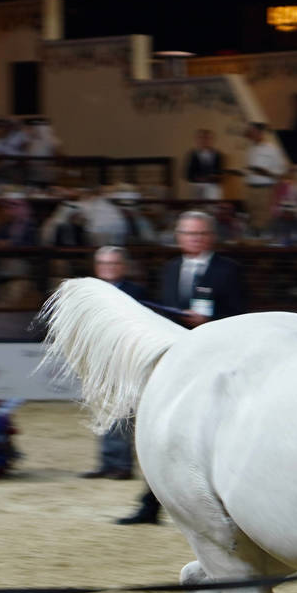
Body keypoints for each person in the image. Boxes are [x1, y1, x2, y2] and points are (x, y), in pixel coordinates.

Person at [117, 211, 245, 524]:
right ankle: (151, 503)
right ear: (178, 237)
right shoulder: (170, 269)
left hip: (216, 359)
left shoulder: (229, 270)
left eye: (200, 233)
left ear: (211, 236)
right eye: (188, 233)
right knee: (164, 432)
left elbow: (242, 314)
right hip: (178, 359)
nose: (194, 239)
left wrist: (210, 321)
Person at [83, 246, 145, 480]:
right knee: (103, 411)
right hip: (97, 360)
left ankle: (121, 465)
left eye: (113, 263)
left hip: (125, 359)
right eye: (103, 263)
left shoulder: (136, 292)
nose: (108, 268)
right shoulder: (90, 292)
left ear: (123, 266)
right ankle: (107, 463)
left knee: (122, 412)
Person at [242, 122, 288, 238]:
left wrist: (267, 173)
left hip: (265, 188)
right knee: (252, 216)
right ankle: (253, 241)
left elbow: (283, 169)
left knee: (264, 218)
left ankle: (263, 241)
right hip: (251, 188)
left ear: (260, 132)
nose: (251, 134)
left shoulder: (272, 149)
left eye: (253, 131)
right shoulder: (251, 149)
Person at [184, 128, 225, 200]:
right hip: (197, 188)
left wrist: (214, 177)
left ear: (212, 140)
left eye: (207, 138)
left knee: (213, 206)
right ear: (197, 140)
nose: (204, 141)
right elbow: (188, 174)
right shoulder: (192, 155)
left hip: (213, 188)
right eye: (201, 138)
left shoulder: (218, 155)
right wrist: (199, 178)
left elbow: (221, 173)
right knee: (197, 206)